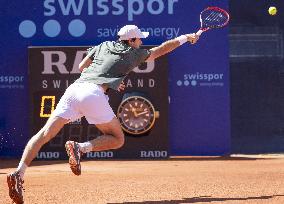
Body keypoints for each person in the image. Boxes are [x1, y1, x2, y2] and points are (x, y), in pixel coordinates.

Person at [7, 24, 199, 204]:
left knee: (44, 134)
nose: (141, 42)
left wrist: (112, 78)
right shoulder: (134, 54)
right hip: (92, 94)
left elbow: (82, 67)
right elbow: (161, 50)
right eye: (139, 39)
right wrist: (185, 37)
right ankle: (80, 147)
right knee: (117, 138)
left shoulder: (103, 45)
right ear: (131, 41)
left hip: (74, 90)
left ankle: (19, 173)